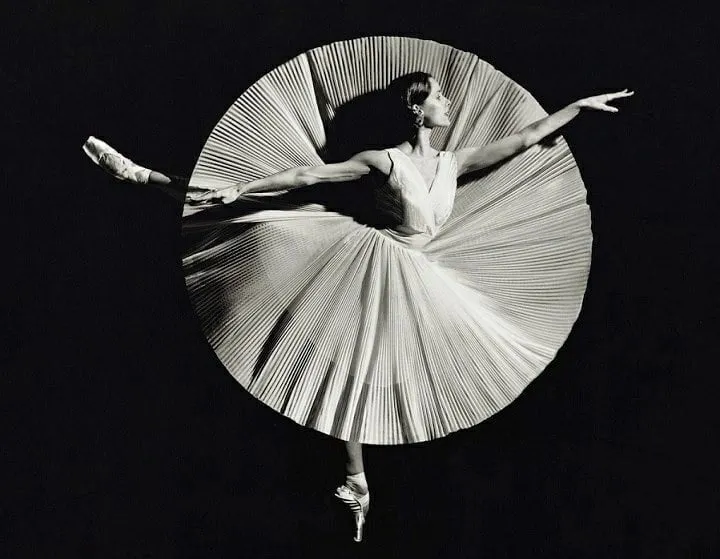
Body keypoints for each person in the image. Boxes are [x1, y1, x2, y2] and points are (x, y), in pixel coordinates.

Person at [83, 72, 633, 542]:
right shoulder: (382, 161)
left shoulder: (454, 161)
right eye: (439, 97)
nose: (448, 104)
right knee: (252, 220)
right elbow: (306, 176)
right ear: (417, 109)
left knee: (412, 367)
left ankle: (358, 480)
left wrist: (578, 106)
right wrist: (245, 187)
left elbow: (526, 137)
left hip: (423, 270)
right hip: (373, 260)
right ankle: (147, 177)